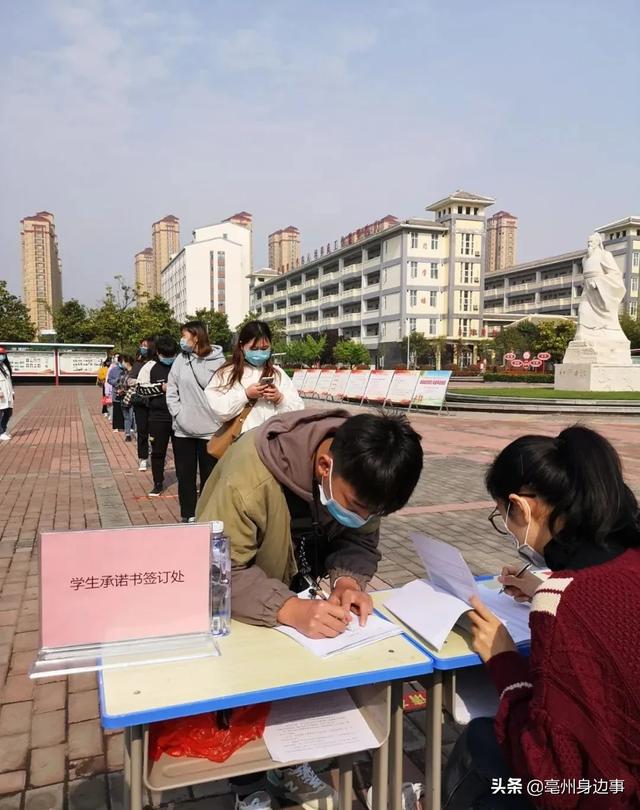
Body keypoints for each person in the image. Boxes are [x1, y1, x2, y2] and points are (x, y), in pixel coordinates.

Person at [196, 408, 424, 809]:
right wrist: (288, 608)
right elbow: (216, 571)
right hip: (243, 595)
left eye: (374, 513)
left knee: (300, 681)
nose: (362, 518)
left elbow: (360, 540)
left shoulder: (361, 475)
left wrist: (348, 581)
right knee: (245, 685)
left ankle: (289, 765)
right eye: (356, 506)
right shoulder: (246, 478)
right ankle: (248, 788)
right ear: (324, 465)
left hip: (293, 585)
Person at [442, 425, 640, 809]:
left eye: (503, 517)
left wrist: (503, 660)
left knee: (479, 741)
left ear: (521, 506)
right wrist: (543, 588)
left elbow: (554, 784)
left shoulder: (560, 601)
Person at [166, 321, 225, 523]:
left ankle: (207, 514)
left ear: (196, 336)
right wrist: (178, 413)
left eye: (184, 336)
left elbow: (226, 392)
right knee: (185, 476)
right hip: (183, 430)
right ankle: (188, 514)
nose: (182, 340)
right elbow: (171, 389)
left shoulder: (220, 362)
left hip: (212, 430)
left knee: (210, 476)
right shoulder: (180, 360)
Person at [205, 320, 304, 438]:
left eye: (264, 348)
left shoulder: (278, 374)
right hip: (239, 443)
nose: (259, 352)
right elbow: (217, 410)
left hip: (272, 442)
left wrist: (279, 399)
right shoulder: (227, 373)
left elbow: (298, 410)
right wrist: (245, 395)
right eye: (254, 348)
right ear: (242, 346)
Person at [140, 335, 179, 497]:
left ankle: (185, 481)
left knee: (182, 452)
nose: (169, 358)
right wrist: (160, 388)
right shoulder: (149, 367)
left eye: (172, 355)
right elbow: (140, 389)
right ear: (158, 352)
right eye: (165, 355)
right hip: (158, 416)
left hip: (179, 416)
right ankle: (158, 483)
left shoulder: (180, 364)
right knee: (157, 452)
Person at [130, 337, 156, 471]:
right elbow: (129, 380)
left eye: (146, 346)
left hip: (155, 402)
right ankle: (143, 458)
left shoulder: (157, 364)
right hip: (140, 401)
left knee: (155, 432)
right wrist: (139, 382)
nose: (143, 348)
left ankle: (156, 456)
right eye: (142, 345)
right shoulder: (138, 364)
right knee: (142, 431)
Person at [115, 355, 136, 442]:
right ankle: (128, 434)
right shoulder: (123, 372)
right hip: (123, 397)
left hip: (131, 397)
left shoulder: (134, 372)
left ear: (127, 362)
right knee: (126, 416)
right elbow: (119, 383)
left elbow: (134, 385)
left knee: (132, 416)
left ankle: (136, 433)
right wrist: (119, 389)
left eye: (122, 361)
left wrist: (125, 390)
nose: (121, 363)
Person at [107, 355, 125, 432]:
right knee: (117, 410)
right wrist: (116, 381)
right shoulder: (113, 370)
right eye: (123, 361)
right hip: (116, 393)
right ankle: (117, 427)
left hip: (125, 394)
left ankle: (127, 426)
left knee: (126, 410)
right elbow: (109, 380)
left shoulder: (128, 369)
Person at [0, 348, 15, 442]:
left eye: (3, 354)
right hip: (1, 394)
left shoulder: (4, 365)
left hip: (8, 393)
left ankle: (4, 430)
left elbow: (9, 381)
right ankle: (1, 433)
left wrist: (12, 392)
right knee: (1, 413)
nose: (3, 356)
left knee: (9, 412)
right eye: (1, 354)